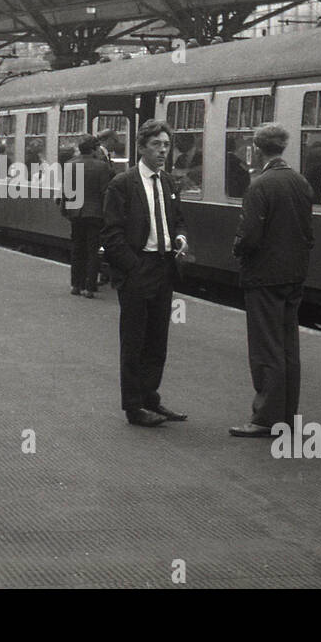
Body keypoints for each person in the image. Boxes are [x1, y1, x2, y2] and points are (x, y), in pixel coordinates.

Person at [101, 119, 192, 428]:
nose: (163, 151)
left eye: (166, 145)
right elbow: (111, 233)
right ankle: (134, 406)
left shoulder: (168, 183)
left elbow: (177, 220)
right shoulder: (122, 184)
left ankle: (151, 398)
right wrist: (133, 267)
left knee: (157, 340)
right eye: (157, 145)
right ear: (141, 148)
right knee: (134, 340)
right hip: (139, 268)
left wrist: (180, 238)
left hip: (164, 267)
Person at [228, 124, 315, 438]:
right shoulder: (300, 182)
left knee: (266, 349)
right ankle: (287, 417)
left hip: (263, 276)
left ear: (257, 147)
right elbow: (307, 232)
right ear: (283, 147)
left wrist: (238, 250)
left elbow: (249, 235)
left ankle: (265, 418)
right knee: (288, 347)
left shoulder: (260, 186)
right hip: (293, 275)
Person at [64, 135, 113, 298]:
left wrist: (65, 210)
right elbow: (105, 192)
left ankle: (76, 285)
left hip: (75, 212)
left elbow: (66, 191)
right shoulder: (102, 167)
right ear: (93, 149)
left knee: (77, 249)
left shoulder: (70, 165)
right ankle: (89, 287)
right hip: (95, 213)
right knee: (93, 250)